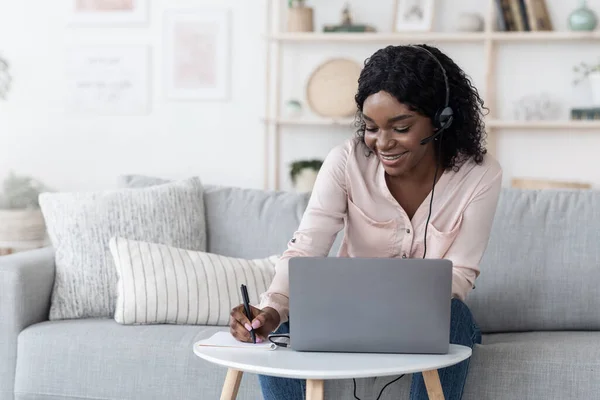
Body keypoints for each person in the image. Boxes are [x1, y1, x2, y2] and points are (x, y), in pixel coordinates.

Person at [229, 44, 502, 400]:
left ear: (442, 119)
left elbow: (461, 276)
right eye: (371, 128)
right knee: (291, 326)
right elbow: (306, 247)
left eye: (400, 127)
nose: (383, 143)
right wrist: (272, 309)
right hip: (346, 314)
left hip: (428, 319)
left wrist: (397, 307)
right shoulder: (346, 161)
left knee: (456, 315)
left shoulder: (480, 176)